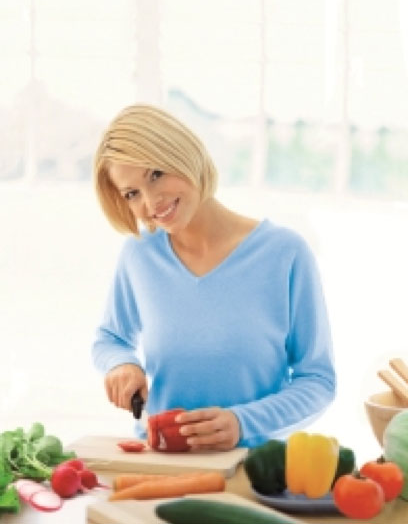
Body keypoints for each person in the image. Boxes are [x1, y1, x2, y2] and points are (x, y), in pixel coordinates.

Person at [91, 104, 336, 450]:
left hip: (254, 470)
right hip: (158, 465)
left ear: (185, 155)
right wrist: (122, 364)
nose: (151, 202)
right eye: (132, 193)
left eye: (156, 174)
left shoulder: (285, 253)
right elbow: (110, 338)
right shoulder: (140, 255)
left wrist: (243, 422)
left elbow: (318, 381)